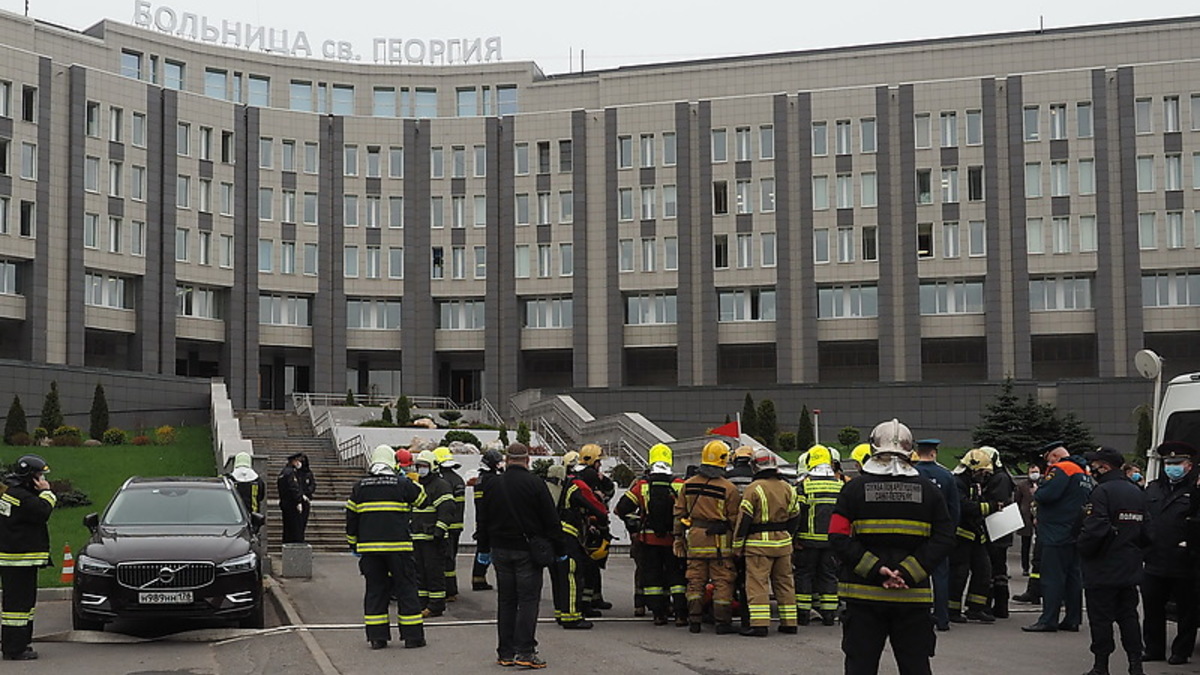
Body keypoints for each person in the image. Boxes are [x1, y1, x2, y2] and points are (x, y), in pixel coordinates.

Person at [829, 419, 955, 675]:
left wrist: (876, 570)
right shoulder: (930, 492)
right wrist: (908, 572)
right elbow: (945, 538)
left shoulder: (852, 490)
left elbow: (837, 537)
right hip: (912, 597)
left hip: (863, 597)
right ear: (911, 453)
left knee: (860, 667)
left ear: (872, 449)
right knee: (915, 667)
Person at [477, 443, 564, 669]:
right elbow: (551, 521)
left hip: (500, 550)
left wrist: (484, 551)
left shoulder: (492, 484)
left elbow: (483, 520)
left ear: (506, 460)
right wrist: (560, 551)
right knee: (527, 600)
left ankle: (505, 652)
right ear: (528, 460)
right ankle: (525, 651)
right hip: (527, 551)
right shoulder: (536, 484)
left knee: (506, 600)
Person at [346, 445, 427, 650]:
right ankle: (412, 637)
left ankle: (377, 638)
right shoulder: (401, 483)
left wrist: (353, 543)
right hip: (398, 548)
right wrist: (410, 479)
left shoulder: (359, 487)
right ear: (393, 463)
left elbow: (351, 518)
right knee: (406, 589)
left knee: (375, 590)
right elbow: (422, 500)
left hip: (370, 551)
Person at [1078, 447, 1148, 675]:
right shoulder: (1137, 492)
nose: (1091, 470)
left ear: (1104, 466)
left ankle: (1101, 666)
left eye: (1094, 465)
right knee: (1129, 617)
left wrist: (1083, 549)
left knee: (1101, 619)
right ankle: (1135, 664)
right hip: (1129, 566)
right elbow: (1148, 532)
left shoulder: (1102, 492)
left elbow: (1094, 530)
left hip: (1102, 567)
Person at [1024, 440, 1094, 633]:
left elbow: (1047, 495)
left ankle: (1048, 619)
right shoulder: (1084, 472)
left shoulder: (1062, 469)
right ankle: (1073, 619)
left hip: (1056, 531)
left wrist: (1037, 492)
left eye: (1048, 460)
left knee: (1052, 577)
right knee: (1073, 577)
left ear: (1054, 456)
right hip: (1075, 530)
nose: (1047, 465)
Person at [674, 440, 741, 634]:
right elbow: (735, 519)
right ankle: (722, 622)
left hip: (694, 541)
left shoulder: (687, 485)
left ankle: (694, 620)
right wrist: (738, 544)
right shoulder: (728, 488)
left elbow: (679, 515)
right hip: (720, 545)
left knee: (695, 581)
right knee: (723, 582)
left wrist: (678, 538)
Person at [615, 443, 686, 626]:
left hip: (649, 540)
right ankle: (680, 615)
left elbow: (620, 509)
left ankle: (658, 615)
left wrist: (635, 524)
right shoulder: (678, 485)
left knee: (652, 577)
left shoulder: (642, 486)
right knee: (676, 577)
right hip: (673, 540)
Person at [733, 448, 800, 637]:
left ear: (755, 466)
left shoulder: (754, 489)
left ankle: (760, 624)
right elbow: (795, 516)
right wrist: (788, 536)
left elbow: (744, 519)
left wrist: (738, 545)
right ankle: (789, 623)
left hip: (758, 545)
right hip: (783, 543)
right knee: (785, 583)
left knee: (757, 584)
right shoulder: (788, 487)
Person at [1141, 441, 1197, 665]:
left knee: (1187, 611)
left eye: (1177, 463)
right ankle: (1154, 649)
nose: (1172, 467)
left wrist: (1191, 546)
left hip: (1185, 561)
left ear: (1189, 466)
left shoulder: (1195, 490)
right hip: (1155, 558)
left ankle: (1181, 652)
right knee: (1153, 608)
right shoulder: (1153, 488)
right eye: (1168, 463)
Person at [0, 455, 55, 661]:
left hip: (20, 560)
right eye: (39, 475)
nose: (42, 479)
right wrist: (47, 492)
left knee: (24, 606)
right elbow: (43, 511)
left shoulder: (16, 493)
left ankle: (21, 642)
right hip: (17, 560)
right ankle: (14, 649)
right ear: (29, 477)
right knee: (17, 608)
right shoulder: (19, 496)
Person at [547, 451, 608, 627]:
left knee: (558, 575)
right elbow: (599, 509)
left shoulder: (558, 485)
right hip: (569, 536)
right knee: (571, 575)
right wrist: (601, 523)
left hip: (553, 534)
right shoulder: (578, 485)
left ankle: (561, 612)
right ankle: (571, 617)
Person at [913, 438, 959, 632]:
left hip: (915, 532)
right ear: (934, 453)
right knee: (940, 576)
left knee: (915, 574)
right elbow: (954, 508)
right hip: (939, 533)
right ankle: (942, 618)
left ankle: (917, 616)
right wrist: (950, 530)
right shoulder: (946, 476)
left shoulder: (913, 474)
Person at [794, 445, 843, 626]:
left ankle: (803, 614)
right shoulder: (840, 485)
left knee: (804, 575)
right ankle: (829, 615)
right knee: (828, 575)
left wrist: (795, 538)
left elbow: (796, 514)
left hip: (807, 542)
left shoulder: (804, 485)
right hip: (832, 541)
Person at [949, 448, 999, 624]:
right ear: (972, 468)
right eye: (982, 472)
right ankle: (952, 610)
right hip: (961, 537)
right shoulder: (957, 483)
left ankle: (975, 608)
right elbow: (964, 507)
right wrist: (991, 507)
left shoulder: (971, 483)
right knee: (958, 574)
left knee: (984, 571)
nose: (983, 476)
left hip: (975, 535)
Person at [410, 450, 454, 618]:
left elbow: (447, 509)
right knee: (420, 573)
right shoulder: (418, 485)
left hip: (433, 539)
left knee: (434, 573)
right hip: (418, 537)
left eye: (424, 466)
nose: (421, 469)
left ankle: (436, 605)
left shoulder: (440, 485)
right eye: (419, 466)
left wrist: (439, 530)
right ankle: (422, 604)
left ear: (433, 467)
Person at [574, 444, 614, 611]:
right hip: (590, 526)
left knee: (592, 566)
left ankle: (595, 598)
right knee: (589, 566)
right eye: (599, 461)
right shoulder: (590, 476)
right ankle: (586, 603)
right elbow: (604, 495)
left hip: (585, 525)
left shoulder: (577, 474)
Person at [978, 446, 1016, 620]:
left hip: (997, 529)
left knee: (996, 568)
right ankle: (997, 605)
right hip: (999, 529)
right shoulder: (1000, 476)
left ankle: (999, 605)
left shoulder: (999, 478)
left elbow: (997, 502)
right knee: (996, 567)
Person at [434, 446, 467, 601]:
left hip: (445, 526)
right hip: (457, 526)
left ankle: (449, 591)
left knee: (444, 559)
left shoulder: (442, 482)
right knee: (451, 558)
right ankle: (451, 589)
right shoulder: (458, 479)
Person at [471, 448, 504, 591]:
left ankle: (478, 578)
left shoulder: (481, 478)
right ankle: (479, 579)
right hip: (491, 520)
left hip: (482, 519)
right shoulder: (491, 479)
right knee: (487, 550)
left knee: (482, 549)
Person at [1015, 461, 1042, 577]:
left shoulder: (1044, 483)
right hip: (1026, 517)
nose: (1034, 474)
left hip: (1040, 517)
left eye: (1036, 472)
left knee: (1040, 543)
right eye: (1032, 472)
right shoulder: (1022, 485)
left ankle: (1039, 566)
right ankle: (1025, 567)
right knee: (1025, 544)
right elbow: (1017, 500)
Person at [277, 452, 309, 543]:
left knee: (287, 529)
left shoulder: (283, 472)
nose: (299, 463)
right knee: (295, 528)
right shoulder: (291, 473)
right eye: (297, 461)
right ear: (293, 461)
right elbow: (293, 488)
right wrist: (299, 501)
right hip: (292, 505)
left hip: (285, 503)